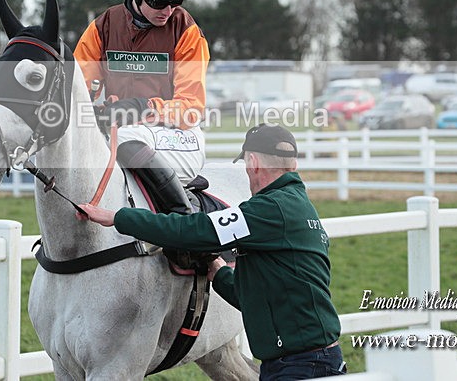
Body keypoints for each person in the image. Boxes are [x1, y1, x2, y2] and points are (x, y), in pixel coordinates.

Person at [78, 124, 346, 379]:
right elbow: (254, 299)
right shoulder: (299, 206)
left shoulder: (270, 209)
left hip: (299, 365)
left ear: (253, 163)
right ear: (293, 164)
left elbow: (196, 231)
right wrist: (219, 275)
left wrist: (119, 218)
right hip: (310, 358)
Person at [74, 0, 210, 214]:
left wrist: (143, 108)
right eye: (161, 2)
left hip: (178, 137)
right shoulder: (103, 28)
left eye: (177, 2)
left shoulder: (186, 31)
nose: (169, 11)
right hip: (117, 134)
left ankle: (185, 230)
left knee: (125, 136)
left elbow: (191, 108)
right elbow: (78, 91)